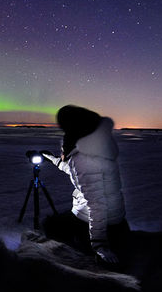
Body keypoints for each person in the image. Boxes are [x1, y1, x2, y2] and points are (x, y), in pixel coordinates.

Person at [40, 105, 129, 269]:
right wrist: (52, 159)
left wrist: (100, 244)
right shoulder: (96, 147)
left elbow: (97, 205)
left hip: (99, 223)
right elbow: (74, 170)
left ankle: (68, 265)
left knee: (51, 226)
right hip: (114, 217)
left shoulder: (83, 158)